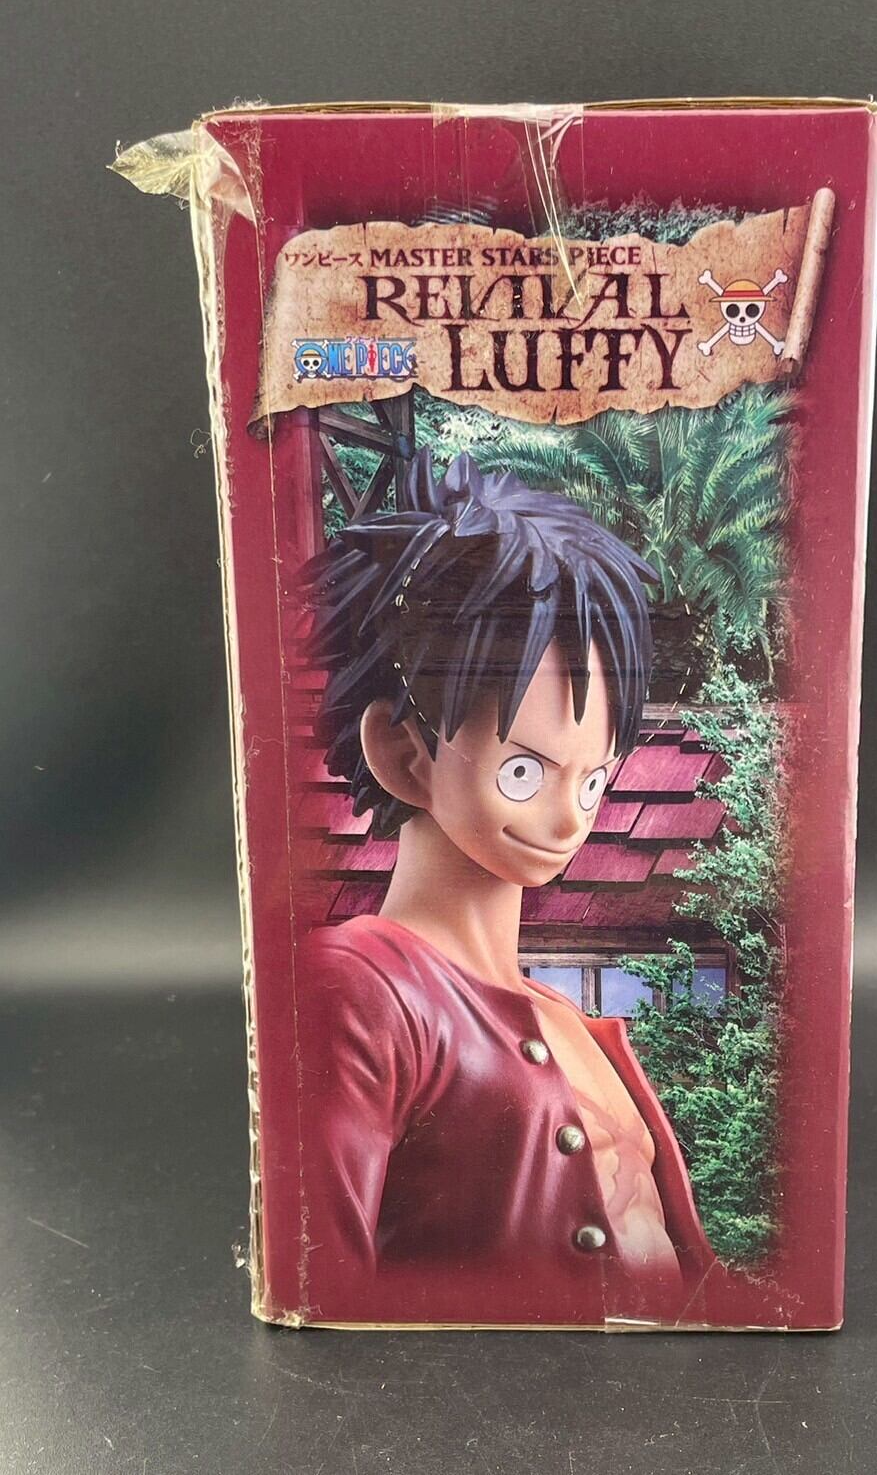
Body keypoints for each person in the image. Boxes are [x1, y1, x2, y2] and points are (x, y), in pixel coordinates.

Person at [295, 449, 715, 1325]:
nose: (569, 817)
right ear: (403, 753)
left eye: (593, 779)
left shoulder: (571, 1024)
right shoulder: (362, 991)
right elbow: (326, 1284)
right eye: (523, 771)